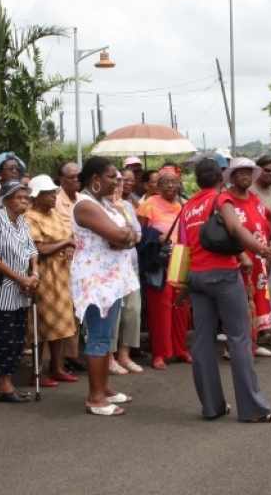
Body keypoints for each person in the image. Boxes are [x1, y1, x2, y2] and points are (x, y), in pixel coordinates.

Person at [180, 157, 271, 423]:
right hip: (224, 275)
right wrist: (261, 249)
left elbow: (182, 246)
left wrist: (184, 284)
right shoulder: (220, 199)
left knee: (202, 342)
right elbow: (235, 228)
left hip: (196, 277)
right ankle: (253, 409)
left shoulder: (188, 206)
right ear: (220, 178)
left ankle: (212, 407)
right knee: (239, 339)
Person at [70, 157, 138, 416]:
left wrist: (124, 236)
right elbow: (121, 235)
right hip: (96, 282)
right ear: (95, 180)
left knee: (107, 335)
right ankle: (95, 397)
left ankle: (104, 388)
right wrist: (124, 236)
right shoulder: (86, 205)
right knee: (98, 337)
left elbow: (132, 232)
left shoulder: (105, 204)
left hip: (111, 280)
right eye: (112, 176)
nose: (118, 180)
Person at [0, 180, 40, 402]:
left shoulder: (22, 221)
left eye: (27, 197)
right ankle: (3, 385)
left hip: (23, 289)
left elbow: (32, 250)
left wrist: (34, 274)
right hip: (3, 289)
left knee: (18, 337)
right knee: (6, 336)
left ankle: (8, 382)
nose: (25, 201)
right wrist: (20, 278)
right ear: (5, 199)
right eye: (19, 197)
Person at [23, 175, 79, 387]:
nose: (53, 197)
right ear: (36, 197)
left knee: (62, 324)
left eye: (53, 193)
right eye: (48, 194)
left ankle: (57, 367)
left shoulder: (54, 214)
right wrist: (66, 242)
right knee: (43, 325)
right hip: (44, 274)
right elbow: (38, 249)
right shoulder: (30, 217)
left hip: (62, 273)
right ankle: (37, 372)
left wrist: (67, 244)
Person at [221, 158, 271, 357]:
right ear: (233, 176)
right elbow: (229, 232)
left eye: (248, 172)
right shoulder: (226, 199)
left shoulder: (255, 199)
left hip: (259, 258)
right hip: (238, 259)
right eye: (240, 172)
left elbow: (265, 228)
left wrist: (267, 252)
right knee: (239, 304)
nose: (245, 176)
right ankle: (233, 346)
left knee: (257, 300)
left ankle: (252, 342)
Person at [138, 169, 191, 370]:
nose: (170, 186)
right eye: (165, 182)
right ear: (157, 186)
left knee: (181, 306)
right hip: (159, 260)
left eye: (174, 182)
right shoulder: (147, 205)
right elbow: (140, 234)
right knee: (160, 307)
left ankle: (180, 349)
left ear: (179, 184)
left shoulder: (184, 204)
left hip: (181, 257)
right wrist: (156, 238)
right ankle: (160, 353)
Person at [109, 173, 144, 374]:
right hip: (111, 271)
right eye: (116, 182)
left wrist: (123, 214)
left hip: (130, 269)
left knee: (132, 312)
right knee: (113, 314)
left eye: (121, 183)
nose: (118, 186)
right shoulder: (99, 207)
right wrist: (126, 236)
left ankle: (124, 355)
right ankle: (109, 357)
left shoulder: (127, 206)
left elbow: (137, 236)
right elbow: (116, 238)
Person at [250, 155, 271, 347]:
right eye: (266, 170)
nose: (270, 174)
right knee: (258, 290)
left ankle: (265, 327)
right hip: (258, 248)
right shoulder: (250, 191)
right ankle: (255, 332)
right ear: (258, 169)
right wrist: (264, 249)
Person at [55, 161, 85, 373]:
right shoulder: (55, 200)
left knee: (78, 309)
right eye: (71, 177)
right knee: (64, 309)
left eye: (78, 177)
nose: (76, 180)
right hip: (63, 259)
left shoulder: (83, 200)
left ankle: (72, 354)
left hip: (84, 260)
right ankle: (59, 360)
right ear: (61, 179)